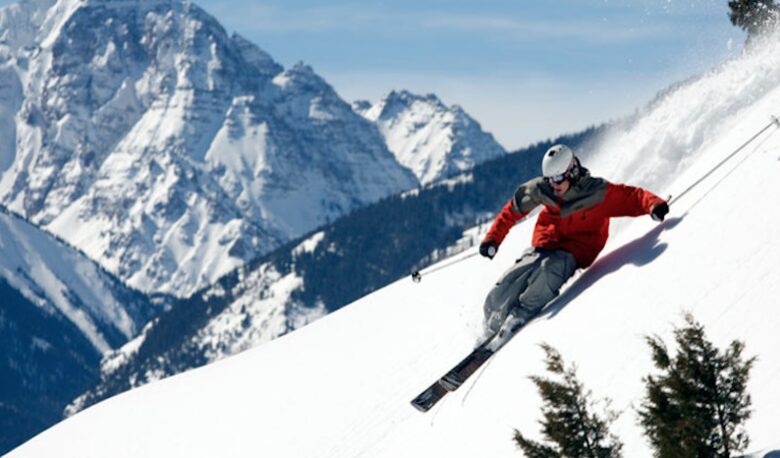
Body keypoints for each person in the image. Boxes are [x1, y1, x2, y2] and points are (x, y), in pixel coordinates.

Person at [478, 144, 669, 342]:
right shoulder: (545, 189)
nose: (554, 184)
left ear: (572, 171)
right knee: (509, 281)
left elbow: (631, 197)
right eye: (550, 179)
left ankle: (519, 316)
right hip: (545, 243)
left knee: (546, 272)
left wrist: (654, 205)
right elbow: (513, 209)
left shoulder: (596, 192)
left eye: (558, 178)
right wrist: (492, 239)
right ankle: (491, 327)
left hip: (575, 250)